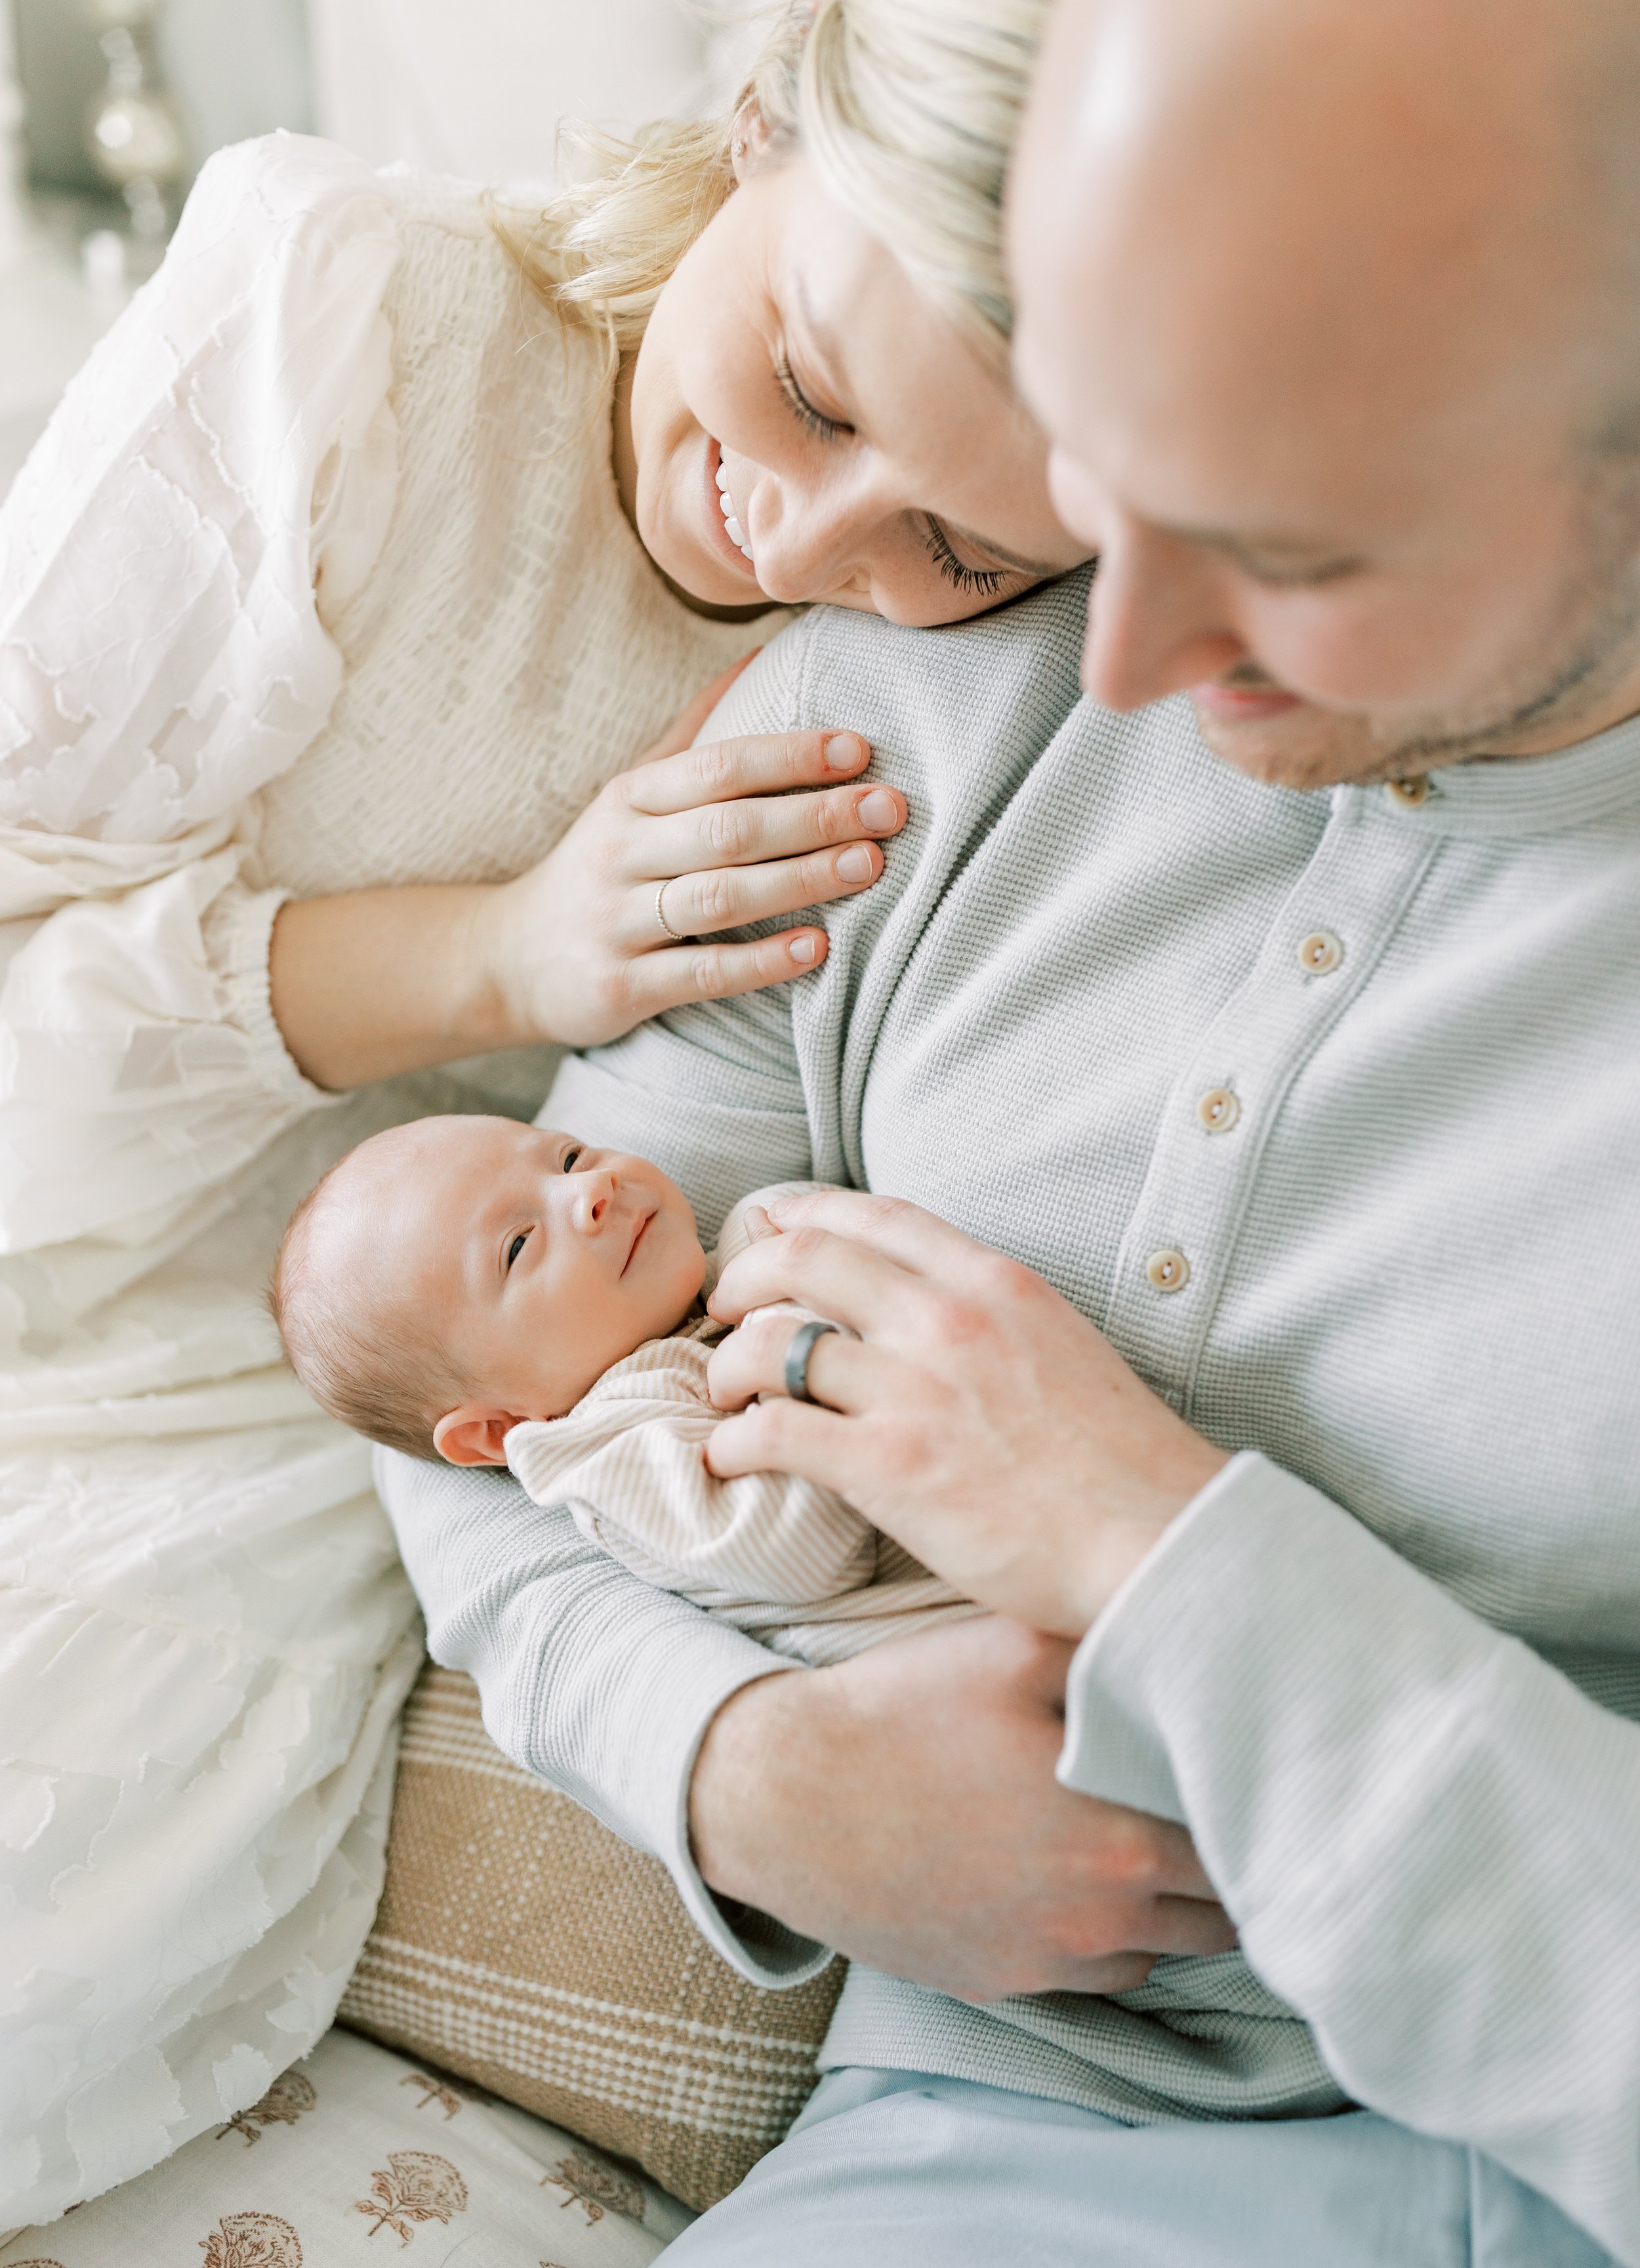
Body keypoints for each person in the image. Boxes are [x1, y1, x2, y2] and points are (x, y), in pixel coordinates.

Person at [383, 5, 1640, 2266]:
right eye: (1102, 485)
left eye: (1289, 543)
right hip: (976, 2140)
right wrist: (744, 1773)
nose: (1124, 651)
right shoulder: (923, 700)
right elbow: (450, 1366)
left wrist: (1158, 1549)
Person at [0, 0, 1088, 2226]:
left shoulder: (970, 671)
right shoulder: (350, 325)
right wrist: (502, 951)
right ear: (758, 110)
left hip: (342, 1442)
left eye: (959, 546)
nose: (810, 537)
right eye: (809, 387)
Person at [270, 1112, 974, 1661]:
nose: (588, 1189)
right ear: (496, 1429)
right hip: (977, 1649)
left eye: (567, 1156)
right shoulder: (612, 1447)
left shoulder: (744, 1239)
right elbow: (808, 1546)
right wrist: (787, 1313)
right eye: (517, 1244)